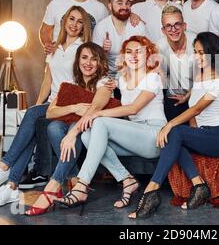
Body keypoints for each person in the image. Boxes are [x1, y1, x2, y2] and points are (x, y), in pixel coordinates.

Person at [0, 6, 91, 207]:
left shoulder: (84, 49)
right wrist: (38, 107)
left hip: (71, 105)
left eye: (80, 21)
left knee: (32, 117)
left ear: (84, 27)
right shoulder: (54, 47)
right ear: (64, 21)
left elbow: (86, 81)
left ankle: (4, 167)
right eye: (71, 19)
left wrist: (36, 112)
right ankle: (11, 186)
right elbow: (48, 79)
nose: (74, 24)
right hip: (52, 104)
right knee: (33, 120)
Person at [128, 32, 219, 219]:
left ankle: (151, 190)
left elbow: (196, 110)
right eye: (195, 52)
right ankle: (198, 185)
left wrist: (169, 125)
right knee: (174, 138)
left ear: (213, 53)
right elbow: (192, 106)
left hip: (217, 138)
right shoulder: (199, 77)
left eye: (202, 53)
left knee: (174, 131)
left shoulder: (218, 81)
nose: (197, 57)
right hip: (202, 134)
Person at [54, 36, 167, 210]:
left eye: (139, 52)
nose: (134, 56)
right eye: (129, 52)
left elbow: (133, 108)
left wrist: (97, 113)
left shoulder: (153, 78)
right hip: (135, 136)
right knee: (86, 136)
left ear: (148, 54)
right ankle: (127, 180)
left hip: (154, 137)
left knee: (99, 122)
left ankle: (81, 186)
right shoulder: (122, 80)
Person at [25, 42, 113, 216]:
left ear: (100, 62)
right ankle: (73, 177)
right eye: (84, 57)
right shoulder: (71, 82)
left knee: (71, 126)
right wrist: (74, 107)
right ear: (78, 60)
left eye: (94, 59)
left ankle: (53, 185)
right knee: (54, 128)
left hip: (92, 126)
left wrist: (72, 134)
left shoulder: (105, 82)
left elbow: (93, 110)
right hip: (70, 121)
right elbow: (51, 112)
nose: (88, 63)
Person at [39, 0, 109, 56]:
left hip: (86, 66)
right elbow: (45, 31)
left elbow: (107, 36)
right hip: (58, 62)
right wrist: (47, 44)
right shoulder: (56, 4)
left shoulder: (100, 8)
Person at [93, 0, 147, 82]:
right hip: (107, 76)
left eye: (127, 3)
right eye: (119, 3)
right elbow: (94, 59)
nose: (125, 7)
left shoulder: (138, 26)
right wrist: (103, 50)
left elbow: (147, 55)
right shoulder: (101, 27)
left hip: (134, 76)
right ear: (110, 6)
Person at [157, 5, 195, 121]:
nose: (173, 29)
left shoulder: (196, 42)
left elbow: (209, 76)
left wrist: (188, 95)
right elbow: (158, 77)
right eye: (168, 26)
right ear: (163, 30)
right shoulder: (159, 46)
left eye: (177, 24)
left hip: (197, 92)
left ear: (184, 26)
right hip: (174, 95)